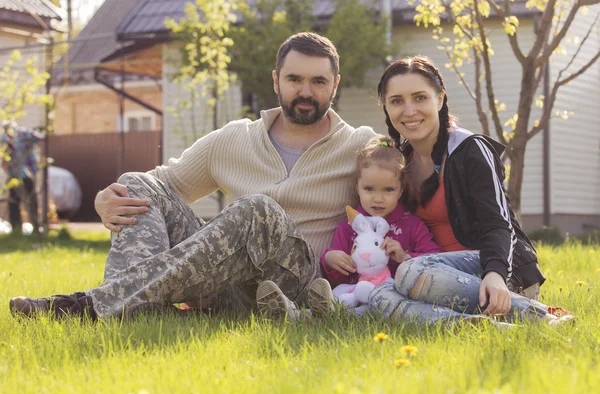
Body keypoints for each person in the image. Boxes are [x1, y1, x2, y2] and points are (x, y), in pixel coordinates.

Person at [9, 32, 377, 320]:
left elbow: (407, 178)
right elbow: (161, 185)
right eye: (295, 79)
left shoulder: (359, 145)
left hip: (295, 287)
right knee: (138, 184)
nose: (305, 91)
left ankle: (92, 305)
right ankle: (134, 311)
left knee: (258, 210)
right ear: (276, 81)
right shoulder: (236, 138)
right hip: (230, 289)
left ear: (335, 83)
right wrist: (104, 198)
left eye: (318, 81)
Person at [362, 55, 570, 325]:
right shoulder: (402, 161)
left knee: (410, 271)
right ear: (386, 107)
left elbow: (499, 223)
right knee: (378, 296)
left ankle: (540, 316)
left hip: (497, 269)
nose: (409, 110)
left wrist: (494, 274)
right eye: (397, 101)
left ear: (440, 99)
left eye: (420, 97)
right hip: (433, 275)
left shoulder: (469, 149)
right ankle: (471, 327)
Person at [257, 135, 442, 318]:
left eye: (388, 189)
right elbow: (340, 278)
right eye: (369, 189)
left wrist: (405, 258)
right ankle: (291, 312)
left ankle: (307, 315)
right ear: (357, 187)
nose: (378, 198)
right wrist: (330, 260)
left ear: (400, 190)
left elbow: (438, 260)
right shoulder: (350, 226)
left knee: (376, 307)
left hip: (392, 296)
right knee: (338, 301)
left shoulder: (411, 224)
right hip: (352, 294)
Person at [0, 120, 43, 235]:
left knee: (14, 201)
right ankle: (36, 226)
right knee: (31, 200)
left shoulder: (5, 136)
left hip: (16, 174)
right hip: (26, 172)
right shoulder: (24, 132)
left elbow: (4, 159)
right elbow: (41, 140)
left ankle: (16, 227)